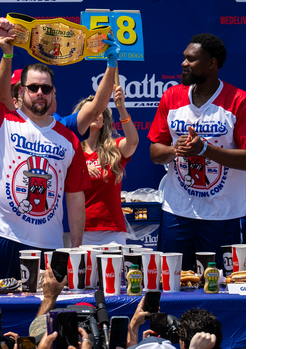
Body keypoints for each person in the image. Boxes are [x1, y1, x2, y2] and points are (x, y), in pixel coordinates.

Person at [0, 19, 91, 279]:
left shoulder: (69, 140)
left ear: (54, 94)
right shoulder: (1, 119)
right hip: (3, 238)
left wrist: (75, 248)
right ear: (21, 91)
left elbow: (75, 197)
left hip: (50, 247)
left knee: (46, 317)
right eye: (33, 88)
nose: (40, 93)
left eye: (46, 88)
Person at [148, 33, 246, 271]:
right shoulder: (171, 97)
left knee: (218, 286)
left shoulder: (238, 101)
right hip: (177, 212)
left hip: (222, 215)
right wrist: (175, 149)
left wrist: (204, 149)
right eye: (184, 58)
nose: (183, 64)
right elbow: (154, 151)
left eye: (191, 59)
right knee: (170, 285)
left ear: (212, 64)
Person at [72, 86, 139, 245]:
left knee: (113, 271)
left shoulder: (114, 148)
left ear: (104, 118)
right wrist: (80, 168)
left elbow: (133, 142)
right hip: (80, 231)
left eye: (98, 110)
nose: (94, 113)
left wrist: (121, 108)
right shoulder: (72, 150)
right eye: (89, 110)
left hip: (112, 232)